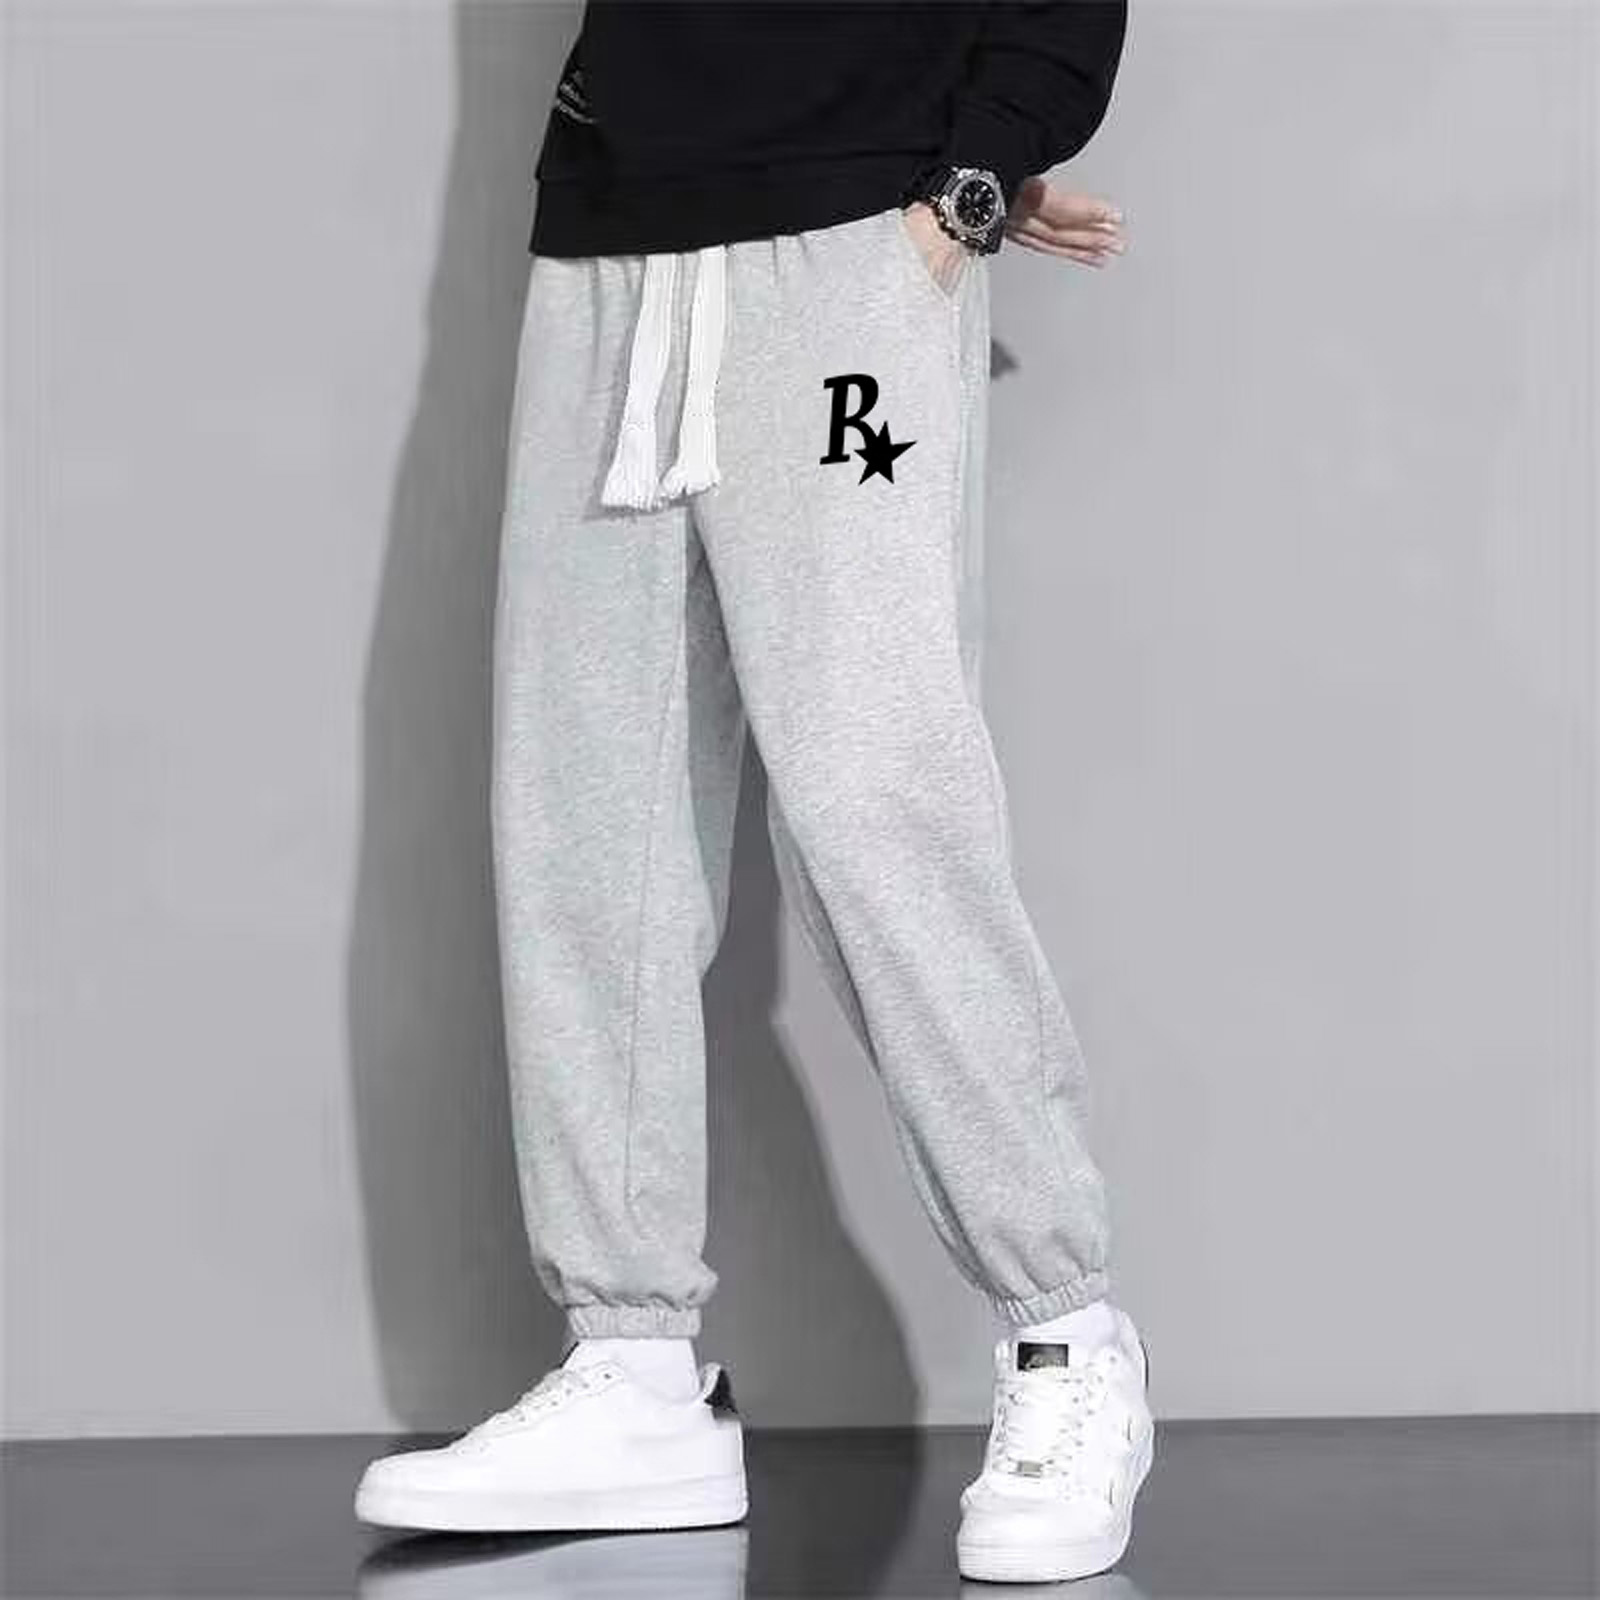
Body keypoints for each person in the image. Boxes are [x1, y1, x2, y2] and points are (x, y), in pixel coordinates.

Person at [356, 0, 1149, 1583]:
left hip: (860, 236)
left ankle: (1067, 1333)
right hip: (611, 229)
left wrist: (975, 175)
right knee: (589, 821)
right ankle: (632, 1363)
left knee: (876, 794)